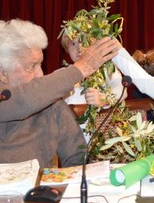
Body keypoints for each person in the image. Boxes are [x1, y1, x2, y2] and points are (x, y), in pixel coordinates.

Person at [0, 19, 118, 168]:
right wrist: (81, 68)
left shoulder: (52, 105)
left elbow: (78, 158)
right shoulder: (7, 99)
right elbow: (22, 100)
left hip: (41, 190)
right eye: (31, 66)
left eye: (40, 65)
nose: (40, 74)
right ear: (3, 73)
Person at [61, 33, 127, 107]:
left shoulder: (107, 70)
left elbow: (121, 91)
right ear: (67, 48)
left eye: (83, 42)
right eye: (73, 44)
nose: (79, 49)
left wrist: (102, 99)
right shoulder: (62, 74)